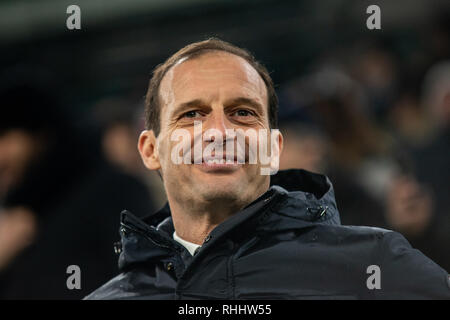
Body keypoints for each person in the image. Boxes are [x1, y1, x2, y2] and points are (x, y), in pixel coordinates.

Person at [85, 38, 450, 300]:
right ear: (151, 151)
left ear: (274, 150)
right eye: (192, 114)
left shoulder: (377, 265)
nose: (219, 132)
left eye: (242, 113)